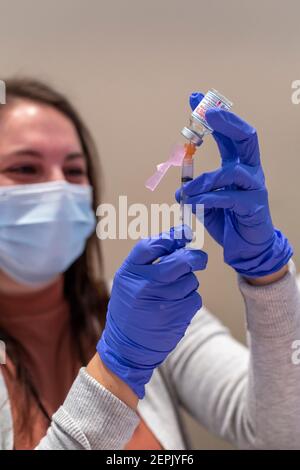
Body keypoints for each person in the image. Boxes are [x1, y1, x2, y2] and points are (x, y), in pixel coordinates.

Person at [0, 80, 299, 450]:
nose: (60, 190)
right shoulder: (134, 330)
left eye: (75, 172)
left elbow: (283, 434)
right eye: (26, 168)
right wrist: (116, 369)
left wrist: (267, 274)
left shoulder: (149, 312)